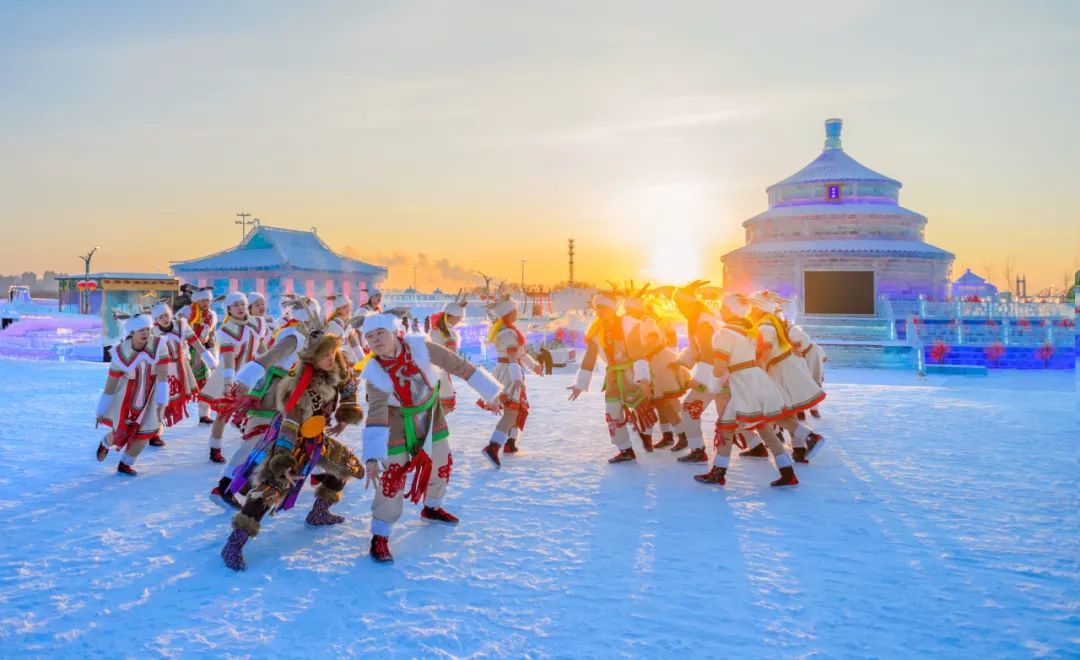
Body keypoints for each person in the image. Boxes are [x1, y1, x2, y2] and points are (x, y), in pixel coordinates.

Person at [358, 313, 503, 563]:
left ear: (394, 332)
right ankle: (380, 535)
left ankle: (432, 507)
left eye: (380, 333)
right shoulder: (373, 371)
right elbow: (377, 411)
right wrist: (372, 456)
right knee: (393, 476)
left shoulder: (420, 347)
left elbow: (458, 365)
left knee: (441, 461)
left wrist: (489, 391)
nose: (375, 340)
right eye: (370, 337)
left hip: (429, 413)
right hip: (396, 423)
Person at [219, 333, 365, 571]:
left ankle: (319, 513)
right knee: (270, 489)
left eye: (332, 353)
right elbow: (290, 424)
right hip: (289, 441)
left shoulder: (337, 365)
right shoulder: (298, 387)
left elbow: (348, 385)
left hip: (316, 437)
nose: (331, 358)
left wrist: (345, 415)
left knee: (346, 467)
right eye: (324, 355)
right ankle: (233, 544)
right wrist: (283, 462)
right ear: (311, 358)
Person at [210, 296, 325, 509]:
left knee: (271, 441)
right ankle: (225, 487)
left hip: (285, 394)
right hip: (272, 394)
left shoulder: (303, 336)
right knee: (258, 439)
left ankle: (241, 485)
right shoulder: (294, 337)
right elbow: (267, 358)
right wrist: (244, 381)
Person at [694, 294, 799, 487]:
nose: (721, 311)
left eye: (723, 308)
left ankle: (719, 472)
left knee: (726, 427)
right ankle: (787, 472)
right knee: (763, 427)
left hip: (743, 382)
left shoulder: (724, 333)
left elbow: (719, 366)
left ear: (730, 310)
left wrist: (713, 386)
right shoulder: (750, 331)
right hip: (757, 378)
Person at [567, 291, 655, 464]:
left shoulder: (629, 325)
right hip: (613, 375)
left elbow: (638, 352)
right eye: (597, 308)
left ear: (612, 308)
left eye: (603, 307)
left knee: (642, 409)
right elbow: (590, 357)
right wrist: (580, 383)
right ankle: (625, 449)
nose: (599, 311)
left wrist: (644, 378)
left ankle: (647, 435)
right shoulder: (595, 331)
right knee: (613, 412)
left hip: (632, 373)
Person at [93, 314, 168, 476]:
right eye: (141, 330)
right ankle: (106, 443)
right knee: (120, 432)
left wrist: (162, 400)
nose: (145, 333)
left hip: (151, 395)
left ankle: (125, 464)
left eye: (148, 329)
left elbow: (163, 375)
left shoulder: (159, 344)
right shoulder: (120, 352)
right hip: (126, 395)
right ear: (132, 332)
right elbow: (111, 384)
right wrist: (101, 410)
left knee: (145, 433)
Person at [480, 292, 542, 466]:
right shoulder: (508, 333)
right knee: (512, 411)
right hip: (509, 372)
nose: (517, 313)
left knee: (517, 408)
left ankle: (510, 443)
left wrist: (534, 366)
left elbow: (521, 354)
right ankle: (494, 446)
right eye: (514, 310)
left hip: (507, 370)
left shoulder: (507, 330)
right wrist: (516, 377)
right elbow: (514, 356)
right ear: (508, 313)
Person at [669, 281, 724, 464]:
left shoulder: (702, 322)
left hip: (714, 374)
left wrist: (698, 380)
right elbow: (696, 349)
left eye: (680, 304)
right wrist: (680, 362)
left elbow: (709, 356)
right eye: (676, 304)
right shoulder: (699, 319)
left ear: (690, 303)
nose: (678, 308)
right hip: (719, 374)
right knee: (732, 415)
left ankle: (698, 451)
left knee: (688, 409)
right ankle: (757, 446)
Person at [200, 292, 258, 463]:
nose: (240, 307)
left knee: (258, 411)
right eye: (235, 305)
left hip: (252, 375)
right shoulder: (226, 330)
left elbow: (262, 349)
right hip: (230, 375)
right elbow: (228, 360)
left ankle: (246, 432)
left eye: (242, 304)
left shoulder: (255, 323)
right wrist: (228, 383)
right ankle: (214, 447)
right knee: (223, 415)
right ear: (228, 310)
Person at [150, 300, 216, 440]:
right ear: (156, 320)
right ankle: (155, 432)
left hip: (181, 367)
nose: (165, 319)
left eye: (166, 315)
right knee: (160, 400)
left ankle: (204, 414)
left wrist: (208, 358)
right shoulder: (153, 332)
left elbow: (196, 343)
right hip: (162, 370)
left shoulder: (181, 325)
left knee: (202, 386)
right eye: (160, 317)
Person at [176, 287, 218, 424]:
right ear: (196, 300)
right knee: (181, 383)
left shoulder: (212, 315)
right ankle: (173, 410)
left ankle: (203, 414)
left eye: (207, 300)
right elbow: (179, 329)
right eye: (202, 300)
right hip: (187, 352)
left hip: (203, 352)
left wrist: (212, 353)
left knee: (207, 384)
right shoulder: (187, 312)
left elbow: (211, 334)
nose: (205, 303)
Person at [427, 290, 468, 412]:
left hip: (429, 370)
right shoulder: (449, 333)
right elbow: (453, 356)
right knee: (444, 406)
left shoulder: (434, 329)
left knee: (433, 408)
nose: (459, 321)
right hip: (441, 372)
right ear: (454, 316)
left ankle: (431, 429)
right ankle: (433, 430)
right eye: (459, 318)